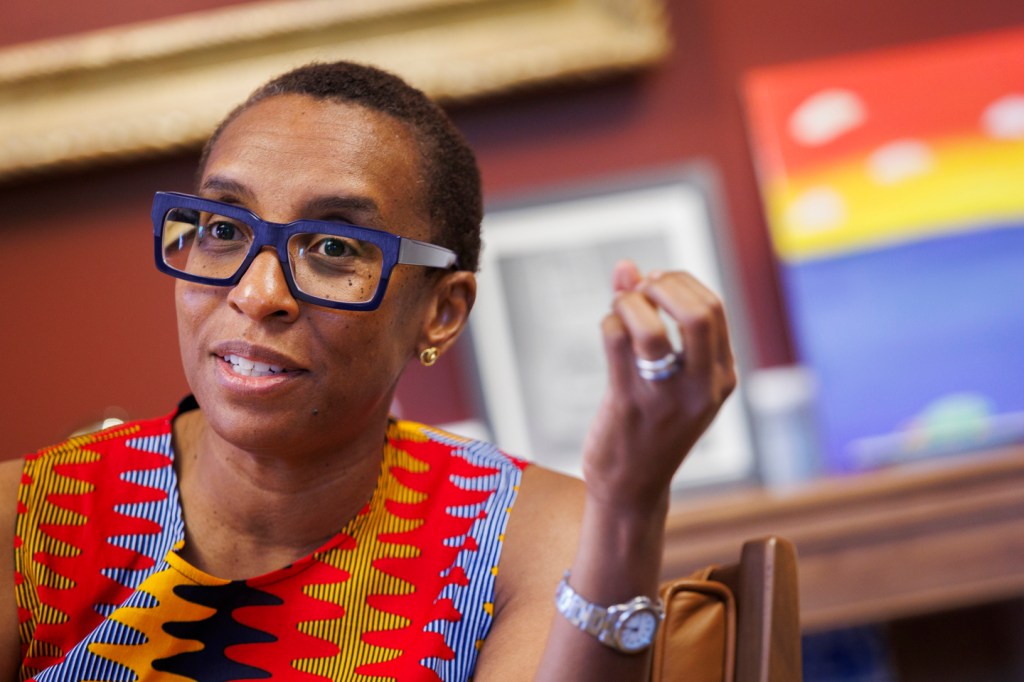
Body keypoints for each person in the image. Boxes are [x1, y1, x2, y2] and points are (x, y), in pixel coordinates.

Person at [0, 61, 735, 681]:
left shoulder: (520, 539)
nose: (257, 293)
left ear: (441, 312)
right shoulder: (29, 519)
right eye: (223, 228)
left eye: (334, 248)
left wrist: (629, 505)